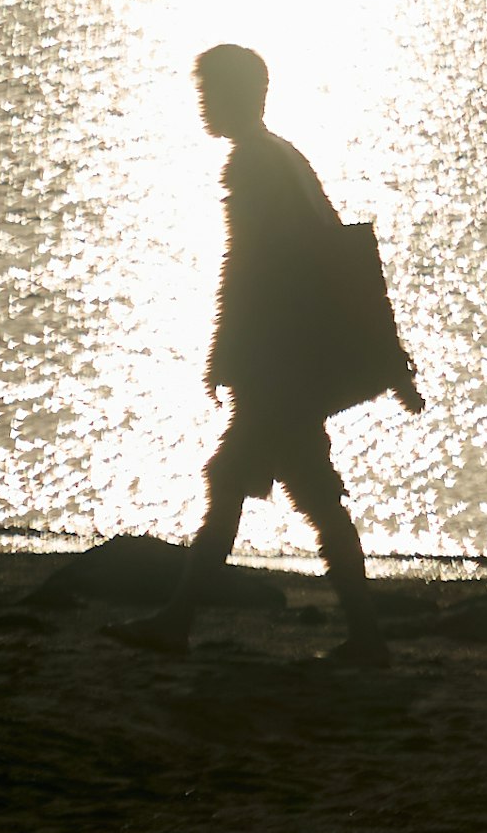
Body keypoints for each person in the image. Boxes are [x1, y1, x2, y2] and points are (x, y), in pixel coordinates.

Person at [107, 43, 419, 665]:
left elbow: (245, 264)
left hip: (275, 364)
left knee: (262, 486)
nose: (202, 105)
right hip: (291, 361)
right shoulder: (285, 157)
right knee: (292, 491)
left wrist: (223, 351)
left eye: (209, 92)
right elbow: (332, 250)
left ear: (235, 95)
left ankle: (187, 622)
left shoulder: (250, 163)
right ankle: (358, 633)